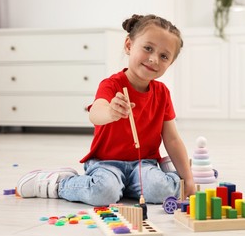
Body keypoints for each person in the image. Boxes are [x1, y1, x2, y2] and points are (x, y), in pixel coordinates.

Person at [16, 14, 196, 206]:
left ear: (170, 63)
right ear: (129, 45)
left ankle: (164, 176)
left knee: (161, 191)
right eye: (148, 48)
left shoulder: (162, 93)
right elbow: (96, 113)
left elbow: (172, 139)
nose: (153, 59)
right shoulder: (112, 85)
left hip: (144, 163)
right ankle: (57, 183)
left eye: (164, 56)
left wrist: (189, 180)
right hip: (106, 163)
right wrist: (110, 112)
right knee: (103, 194)